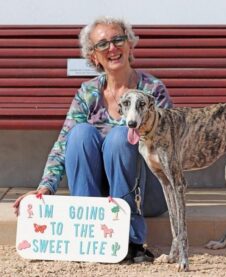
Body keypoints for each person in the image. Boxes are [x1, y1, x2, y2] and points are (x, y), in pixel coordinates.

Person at [13, 16, 172, 263]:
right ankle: (87, 235)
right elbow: (64, 143)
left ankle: (129, 240)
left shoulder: (152, 90)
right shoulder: (87, 92)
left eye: (118, 39)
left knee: (121, 137)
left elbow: (167, 147)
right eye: (102, 44)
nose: (112, 48)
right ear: (93, 56)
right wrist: (46, 187)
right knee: (80, 134)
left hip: (144, 192)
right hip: (99, 194)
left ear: (130, 44)